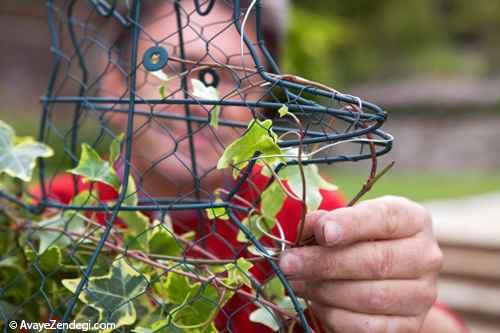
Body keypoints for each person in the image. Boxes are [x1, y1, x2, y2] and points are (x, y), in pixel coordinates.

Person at [40, 1, 468, 332]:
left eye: (230, 78)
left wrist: (406, 303)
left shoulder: (303, 215)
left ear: (261, 103)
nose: (202, 102)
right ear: (116, 86)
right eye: (173, 68)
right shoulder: (47, 216)